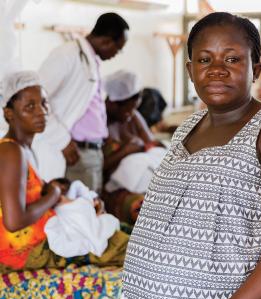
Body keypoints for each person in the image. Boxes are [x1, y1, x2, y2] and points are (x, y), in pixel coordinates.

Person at [121, 12, 261, 299]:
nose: (216, 71)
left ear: (256, 69)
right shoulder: (188, 127)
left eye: (232, 59)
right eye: (204, 60)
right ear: (190, 70)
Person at [0, 71, 128, 274]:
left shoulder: (23, 148)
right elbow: (14, 221)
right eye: (29, 107)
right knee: (122, 246)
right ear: (9, 114)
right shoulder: (10, 151)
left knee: (114, 229)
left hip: (36, 238)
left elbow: (29, 196)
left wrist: (66, 195)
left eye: (43, 103)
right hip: (24, 253)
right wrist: (54, 195)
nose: (41, 112)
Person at [33, 13, 129, 192]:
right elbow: (37, 99)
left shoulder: (91, 59)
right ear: (107, 41)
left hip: (91, 152)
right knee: (81, 212)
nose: (117, 54)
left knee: (91, 212)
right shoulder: (67, 54)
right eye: (118, 48)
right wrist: (62, 140)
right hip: (74, 152)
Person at [102, 70, 166, 223]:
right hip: (114, 186)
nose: (130, 114)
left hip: (146, 177)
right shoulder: (98, 124)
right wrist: (126, 151)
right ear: (112, 104)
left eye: (134, 108)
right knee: (144, 208)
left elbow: (152, 146)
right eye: (127, 109)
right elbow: (97, 167)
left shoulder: (133, 117)